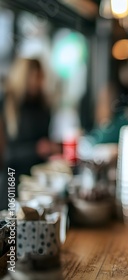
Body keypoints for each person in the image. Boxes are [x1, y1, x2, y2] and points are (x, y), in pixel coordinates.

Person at [0, 57, 59, 210]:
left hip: (37, 182)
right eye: (34, 77)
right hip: (11, 179)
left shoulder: (43, 106)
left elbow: (45, 142)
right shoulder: (6, 104)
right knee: (11, 229)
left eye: (40, 77)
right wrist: (35, 149)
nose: (38, 82)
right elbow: (5, 155)